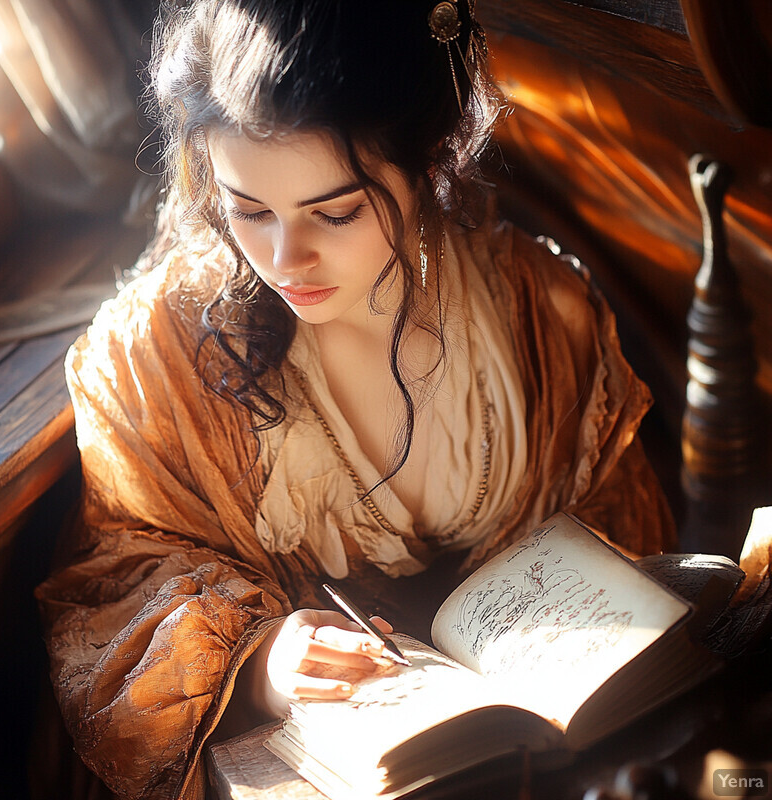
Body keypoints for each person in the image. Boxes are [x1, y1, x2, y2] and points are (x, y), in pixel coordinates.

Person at [35, 1, 676, 798]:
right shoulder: (154, 360)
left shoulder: (537, 315)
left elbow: (624, 537)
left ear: (427, 162)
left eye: (335, 211)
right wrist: (260, 664)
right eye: (248, 211)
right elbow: (119, 582)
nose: (284, 257)